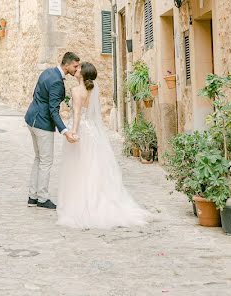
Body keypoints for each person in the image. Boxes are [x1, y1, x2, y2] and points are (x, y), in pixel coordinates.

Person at [57, 62, 149, 229]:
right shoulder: (92, 90)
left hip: (82, 132)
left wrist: (73, 132)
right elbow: (92, 114)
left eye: (78, 69)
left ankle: (83, 203)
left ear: (83, 74)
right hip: (93, 133)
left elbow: (77, 114)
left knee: (79, 168)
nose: (76, 70)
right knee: (94, 167)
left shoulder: (76, 91)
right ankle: (98, 199)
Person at [24, 52, 80, 210]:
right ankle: (42, 198)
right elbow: (53, 111)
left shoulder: (48, 72)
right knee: (46, 161)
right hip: (42, 124)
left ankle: (32, 196)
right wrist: (65, 131)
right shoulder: (57, 81)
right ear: (66, 65)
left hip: (31, 119)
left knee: (38, 159)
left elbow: (36, 94)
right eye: (75, 66)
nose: (76, 69)